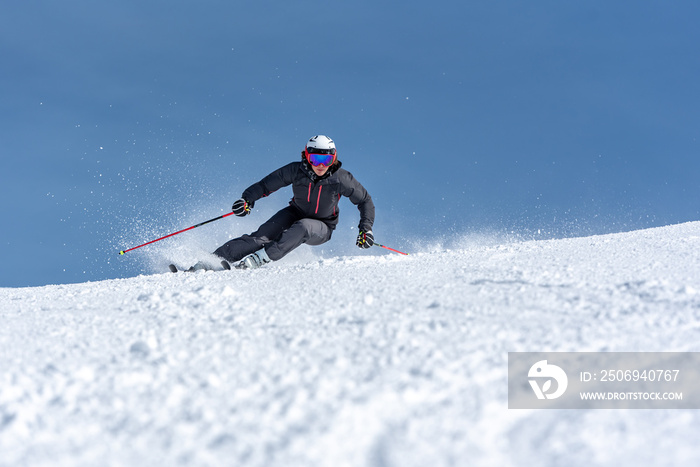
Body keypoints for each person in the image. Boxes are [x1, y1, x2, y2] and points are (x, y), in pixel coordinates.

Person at [203, 135, 375, 270]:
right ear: (307, 157)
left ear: (333, 159)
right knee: (259, 237)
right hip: (294, 213)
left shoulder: (342, 179)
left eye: (327, 161)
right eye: (316, 159)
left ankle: (259, 259)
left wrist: (365, 230)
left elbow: (365, 200)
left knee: (303, 227)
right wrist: (247, 199)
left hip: (323, 226)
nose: (321, 166)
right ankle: (213, 260)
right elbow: (266, 185)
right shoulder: (296, 170)